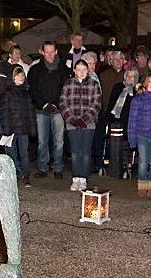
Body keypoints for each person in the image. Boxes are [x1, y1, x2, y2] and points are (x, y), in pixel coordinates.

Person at [28, 41, 70, 178]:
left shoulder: (63, 69)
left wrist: (57, 104)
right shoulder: (35, 70)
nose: (50, 54)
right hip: (41, 110)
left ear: (56, 51)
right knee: (42, 142)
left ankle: (58, 167)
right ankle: (42, 168)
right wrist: (44, 104)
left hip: (58, 110)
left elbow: (66, 90)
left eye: (52, 51)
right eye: (47, 52)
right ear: (42, 52)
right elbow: (33, 90)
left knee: (59, 141)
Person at [59, 60, 101, 191]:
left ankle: (83, 179)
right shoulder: (68, 84)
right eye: (78, 69)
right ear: (74, 70)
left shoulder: (94, 84)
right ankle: (75, 178)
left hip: (88, 124)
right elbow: (62, 103)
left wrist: (85, 120)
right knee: (75, 152)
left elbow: (97, 104)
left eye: (84, 69)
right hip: (72, 124)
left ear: (88, 70)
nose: (81, 72)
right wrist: (72, 119)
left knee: (86, 152)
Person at [0, 66, 37, 186]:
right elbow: (4, 113)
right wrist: (6, 130)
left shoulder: (26, 93)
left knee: (24, 153)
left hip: (24, 129)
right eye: (18, 75)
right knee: (11, 154)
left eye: (22, 75)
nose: (21, 77)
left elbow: (31, 112)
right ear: (12, 77)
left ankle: (26, 175)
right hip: (12, 129)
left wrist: (33, 128)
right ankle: (15, 173)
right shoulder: (6, 93)